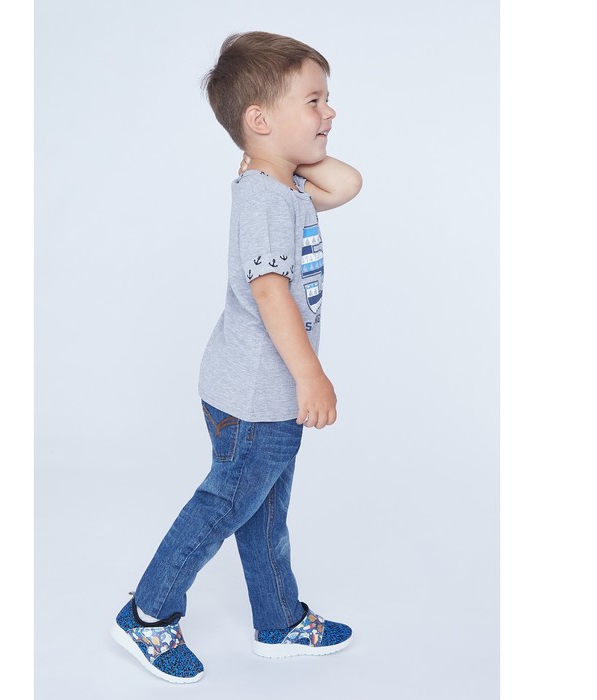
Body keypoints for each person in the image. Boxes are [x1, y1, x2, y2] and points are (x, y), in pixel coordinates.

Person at [111, 31, 363, 684]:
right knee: (224, 506)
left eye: (327, 99)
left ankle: (277, 620)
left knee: (264, 511)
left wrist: (289, 151)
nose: (330, 112)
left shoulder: (283, 187)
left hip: (264, 394)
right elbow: (270, 291)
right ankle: (148, 612)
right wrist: (312, 375)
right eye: (313, 101)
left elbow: (348, 183)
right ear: (260, 119)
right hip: (255, 394)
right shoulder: (263, 199)